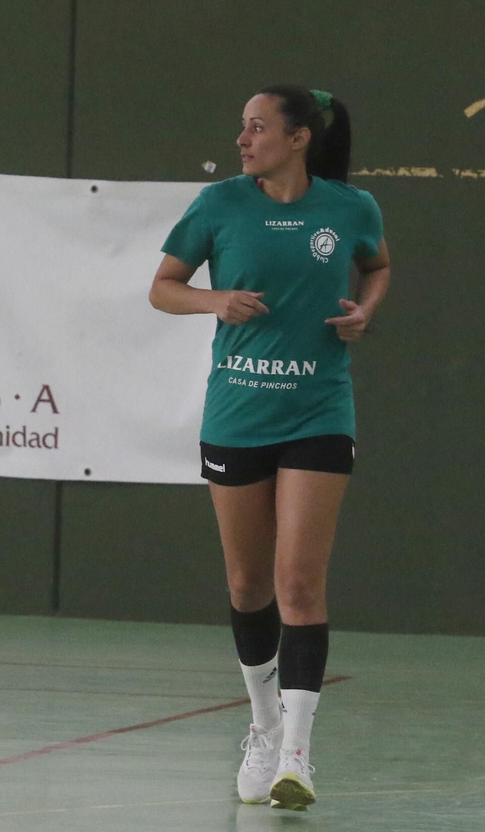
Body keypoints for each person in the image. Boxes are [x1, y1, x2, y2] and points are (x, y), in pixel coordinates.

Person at [149, 85, 391, 810]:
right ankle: (261, 724)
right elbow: (163, 288)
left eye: (257, 128)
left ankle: (297, 752)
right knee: (249, 587)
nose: (243, 139)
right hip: (237, 417)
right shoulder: (220, 204)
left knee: (298, 583)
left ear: (298, 138)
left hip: (319, 412)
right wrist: (214, 301)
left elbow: (375, 267)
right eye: (242, 127)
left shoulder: (350, 209)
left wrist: (364, 311)